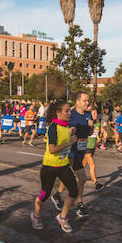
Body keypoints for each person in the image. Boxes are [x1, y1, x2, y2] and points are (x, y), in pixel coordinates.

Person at [30, 100, 79, 233]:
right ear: (58, 113)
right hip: (49, 167)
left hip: (63, 165)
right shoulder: (53, 127)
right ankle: (35, 216)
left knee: (74, 191)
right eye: (67, 111)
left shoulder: (65, 127)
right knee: (44, 195)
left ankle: (62, 217)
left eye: (70, 110)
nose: (69, 113)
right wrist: (70, 141)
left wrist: (71, 133)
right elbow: (52, 149)